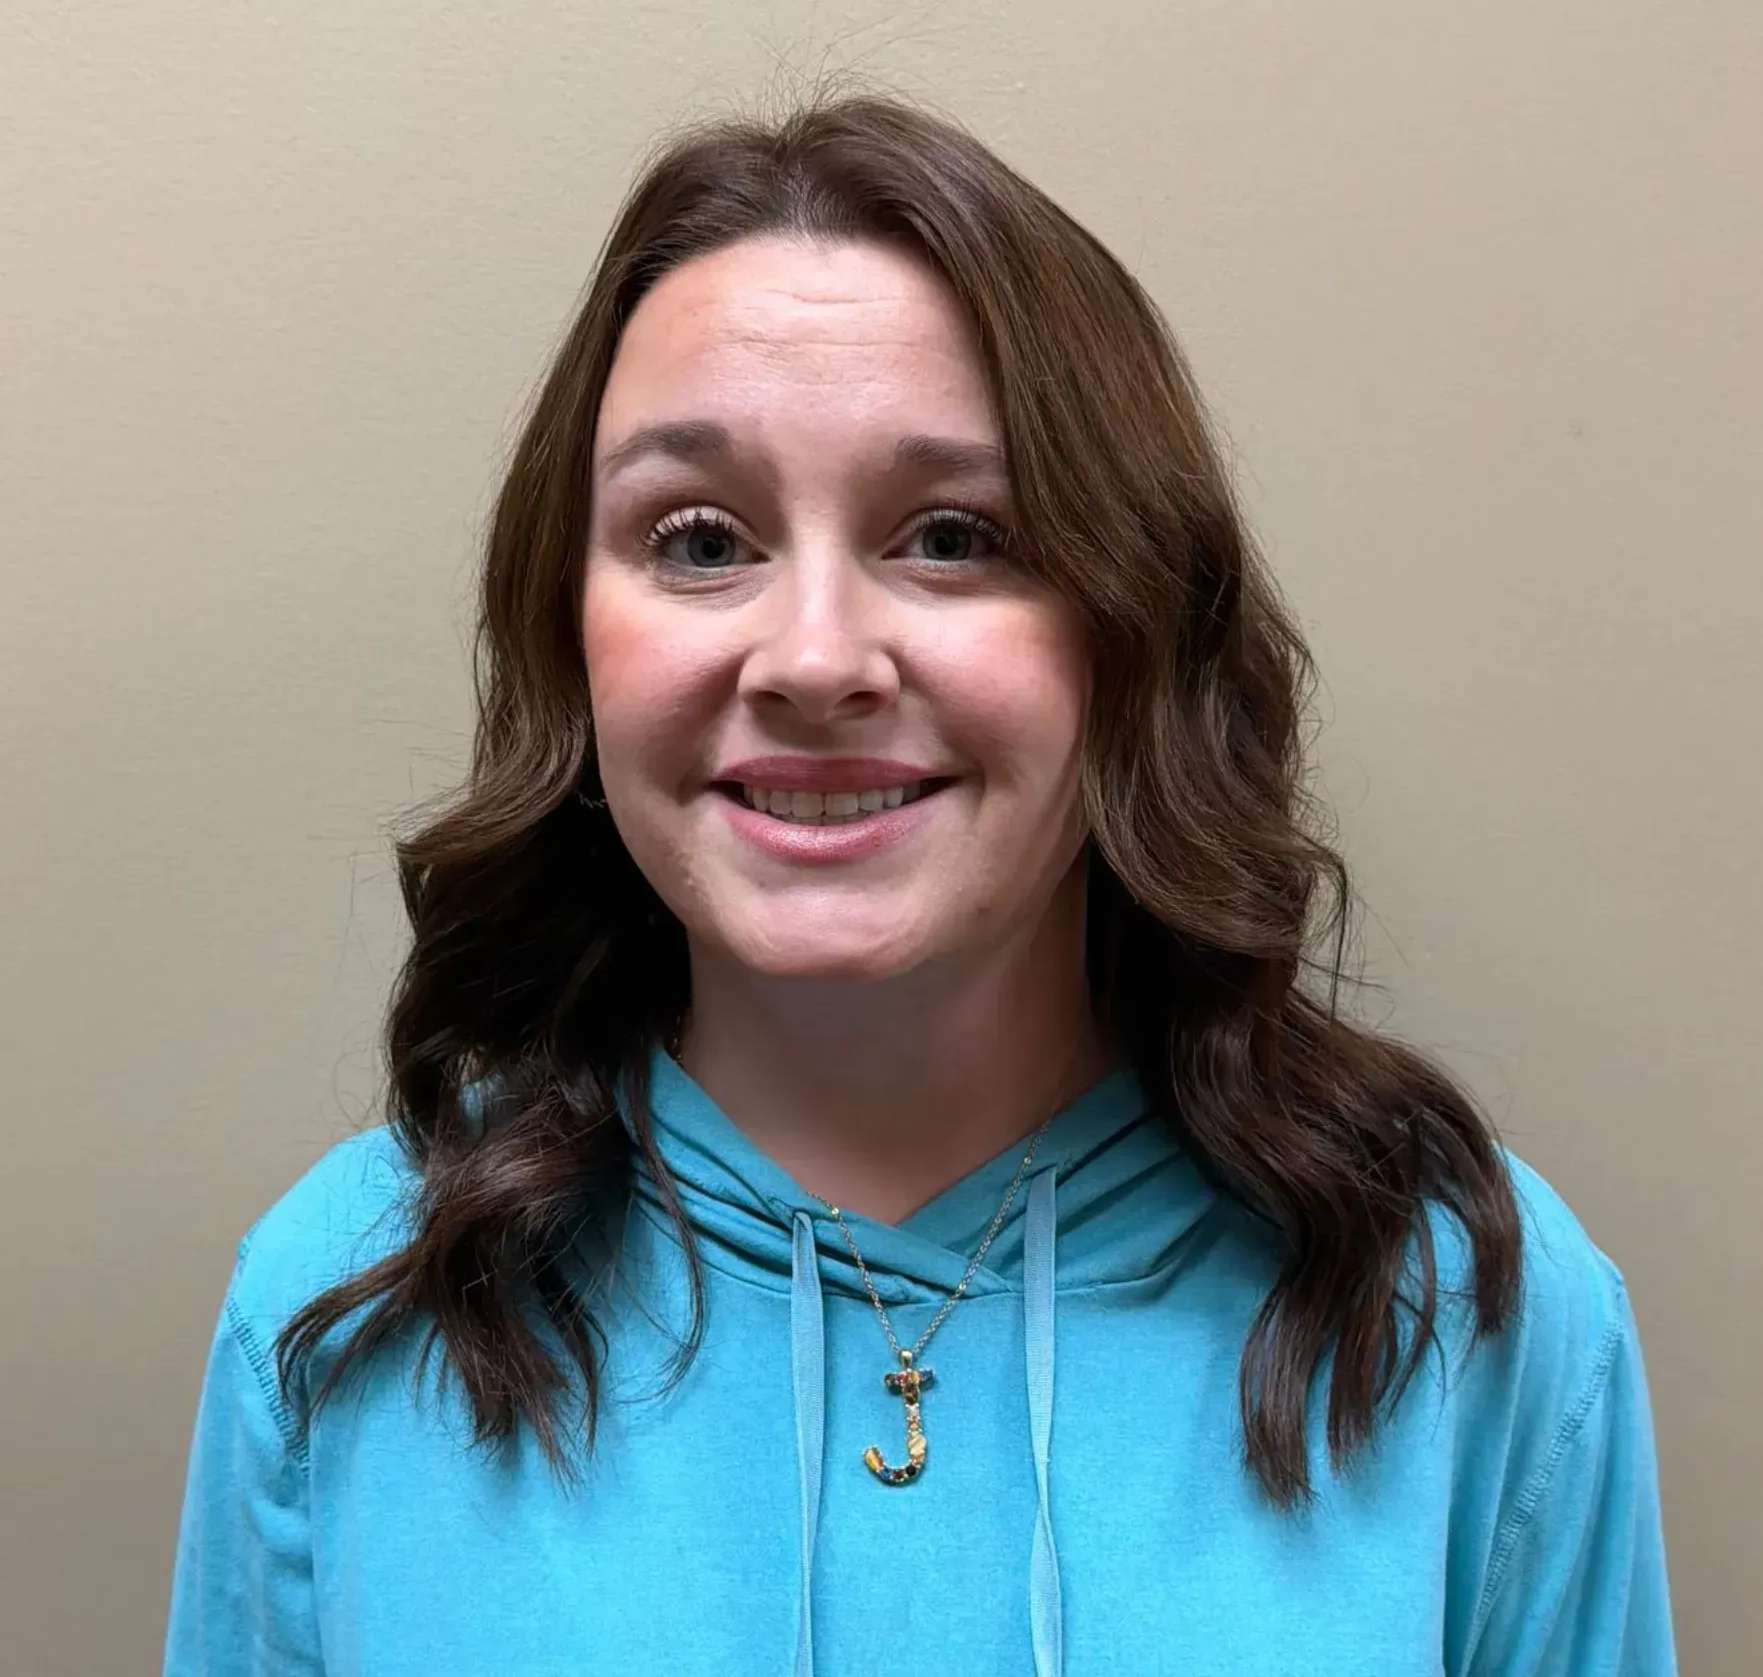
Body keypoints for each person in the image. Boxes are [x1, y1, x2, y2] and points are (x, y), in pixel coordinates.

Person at [164, 91, 1676, 1676]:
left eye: (951, 535)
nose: (814, 659)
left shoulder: (1458, 1305)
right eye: (699, 539)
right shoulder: (344, 1305)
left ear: (1129, 630)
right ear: (573, 638)